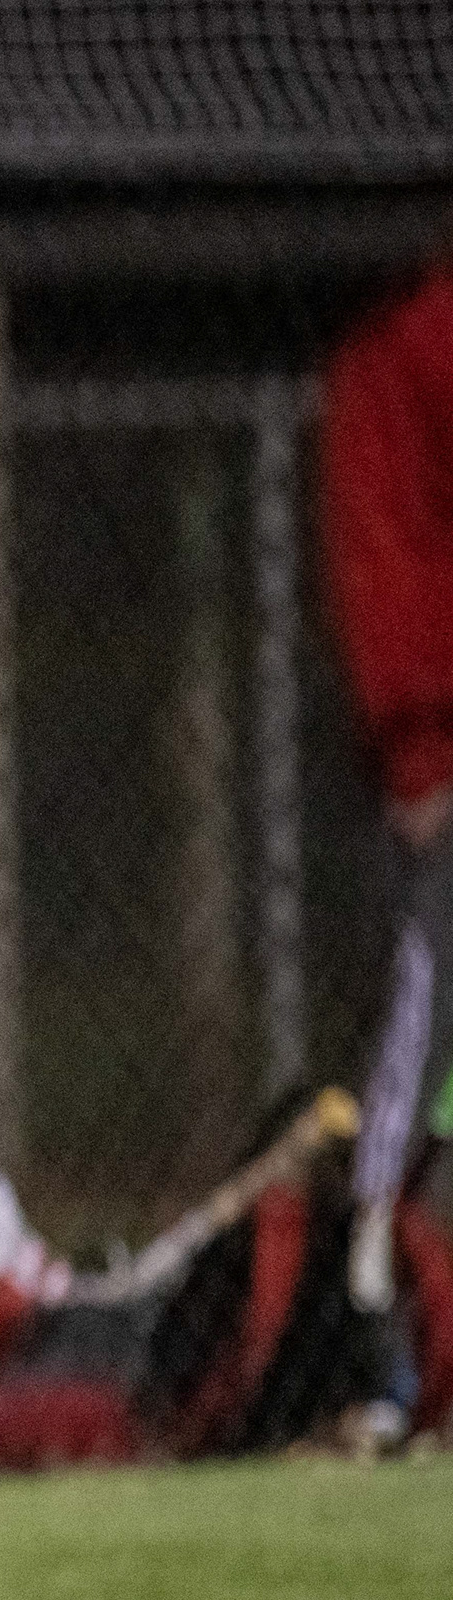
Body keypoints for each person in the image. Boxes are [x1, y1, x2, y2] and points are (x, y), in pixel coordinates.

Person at [323, 240, 453, 1325]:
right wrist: (420, 750)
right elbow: (390, 567)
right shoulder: (402, 358)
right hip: (443, 747)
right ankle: (373, 1272)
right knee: (431, 996)